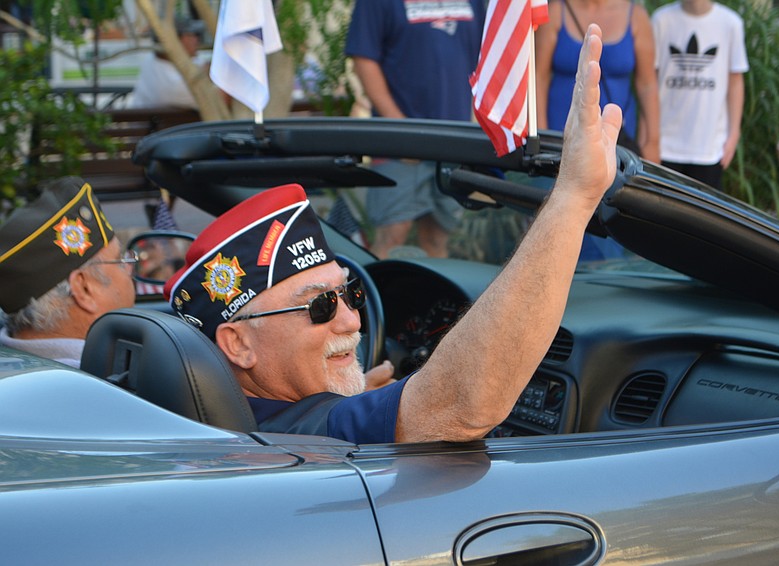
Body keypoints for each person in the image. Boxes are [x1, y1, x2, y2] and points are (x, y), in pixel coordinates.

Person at [164, 24, 621, 444]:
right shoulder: (301, 430)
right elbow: (462, 404)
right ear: (238, 344)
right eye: (320, 305)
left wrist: (365, 398)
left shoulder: (204, 411)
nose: (351, 321)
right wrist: (574, 198)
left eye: (349, 295)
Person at [345, 0, 485, 259]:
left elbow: (485, 54)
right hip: (399, 144)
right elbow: (363, 59)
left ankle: (434, 300)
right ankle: (378, 299)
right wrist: (400, 127)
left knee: (438, 237)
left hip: (453, 141)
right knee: (391, 236)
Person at [0, 177, 137, 367]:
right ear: (84, 288)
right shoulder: (101, 382)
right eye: (121, 261)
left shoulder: (10, 363)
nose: (129, 268)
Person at [536, 0, 660, 164]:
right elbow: (539, 78)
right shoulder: (557, 11)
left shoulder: (636, 16)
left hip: (617, 146)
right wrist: (542, 136)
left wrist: (652, 142)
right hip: (559, 143)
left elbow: (647, 85)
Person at [652, 0, 748, 190]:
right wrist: (650, 137)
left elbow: (735, 81)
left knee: (703, 217)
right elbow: (649, 82)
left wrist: (733, 134)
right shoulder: (661, 20)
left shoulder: (730, 23)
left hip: (709, 148)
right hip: (666, 146)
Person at [128, 18, 206, 110]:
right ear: (174, 41)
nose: (197, 40)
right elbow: (217, 98)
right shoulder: (167, 81)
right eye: (193, 35)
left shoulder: (154, 61)